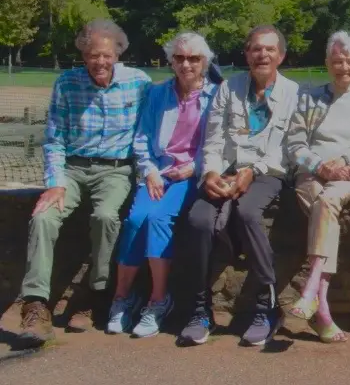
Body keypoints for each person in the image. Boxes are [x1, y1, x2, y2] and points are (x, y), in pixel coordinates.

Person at [16, 19, 152, 346]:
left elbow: (151, 131)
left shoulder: (140, 83)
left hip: (117, 170)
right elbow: (54, 140)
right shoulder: (67, 83)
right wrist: (55, 182)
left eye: (106, 55)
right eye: (92, 55)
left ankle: (95, 296)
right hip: (73, 169)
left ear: (118, 53)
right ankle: (36, 305)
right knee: (43, 217)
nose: (99, 62)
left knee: (106, 217)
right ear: (83, 55)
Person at [177, 25, 301, 347]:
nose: (262, 54)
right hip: (226, 170)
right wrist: (211, 174)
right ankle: (200, 310)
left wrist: (252, 171)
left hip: (268, 171)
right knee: (199, 219)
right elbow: (213, 139)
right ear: (246, 54)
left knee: (247, 213)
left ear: (281, 56)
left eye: (270, 49)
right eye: (256, 49)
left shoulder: (293, 93)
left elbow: (287, 148)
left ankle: (267, 306)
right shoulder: (228, 89)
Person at [107, 32, 221, 338]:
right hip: (159, 173)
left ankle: (159, 300)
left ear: (204, 62)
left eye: (194, 59)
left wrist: (194, 168)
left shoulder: (216, 97)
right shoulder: (158, 94)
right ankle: (122, 297)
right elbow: (142, 137)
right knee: (135, 219)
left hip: (191, 176)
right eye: (180, 58)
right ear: (171, 61)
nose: (186, 65)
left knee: (159, 219)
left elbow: (218, 143)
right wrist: (149, 172)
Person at [283, 32, 350, 343]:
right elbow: (294, 144)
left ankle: (311, 288)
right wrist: (321, 165)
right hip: (312, 173)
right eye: (337, 61)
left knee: (328, 200)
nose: (344, 67)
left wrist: (345, 160)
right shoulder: (310, 97)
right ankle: (322, 305)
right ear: (327, 63)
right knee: (323, 201)